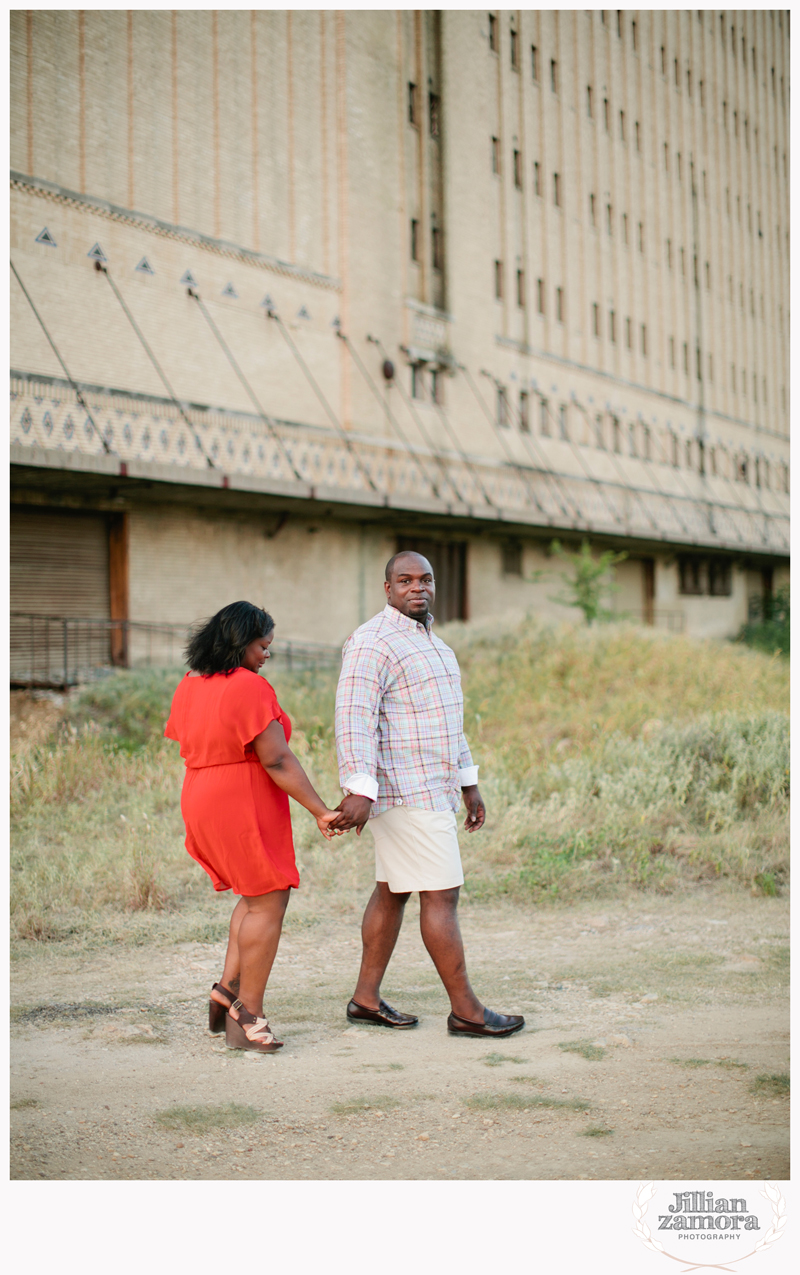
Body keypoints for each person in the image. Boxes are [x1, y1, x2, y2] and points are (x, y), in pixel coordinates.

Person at [332, 551, 524, 1038]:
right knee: (441, 894)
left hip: (435, 786)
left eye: (426, 579)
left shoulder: (436, 645)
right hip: (404, 790)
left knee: (393, 891)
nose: (418, 587)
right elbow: (354, 717)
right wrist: (357, 787)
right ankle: (467, 1011)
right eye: (405, 580)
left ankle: (365, 999)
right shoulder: (372, 641)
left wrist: (469, 782)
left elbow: (447, 723)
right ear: (387, 587)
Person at [165, 601, 339, 1053]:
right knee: (269, 900)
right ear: (241, 642)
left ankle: (226, 991)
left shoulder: (190, 684)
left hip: (200, 792)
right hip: (240, 800)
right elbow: (277, 758)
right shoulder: (249, 687)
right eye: (263, 646)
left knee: (253, 896)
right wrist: (320, 810)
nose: (267, 656)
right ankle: (249, 1013)